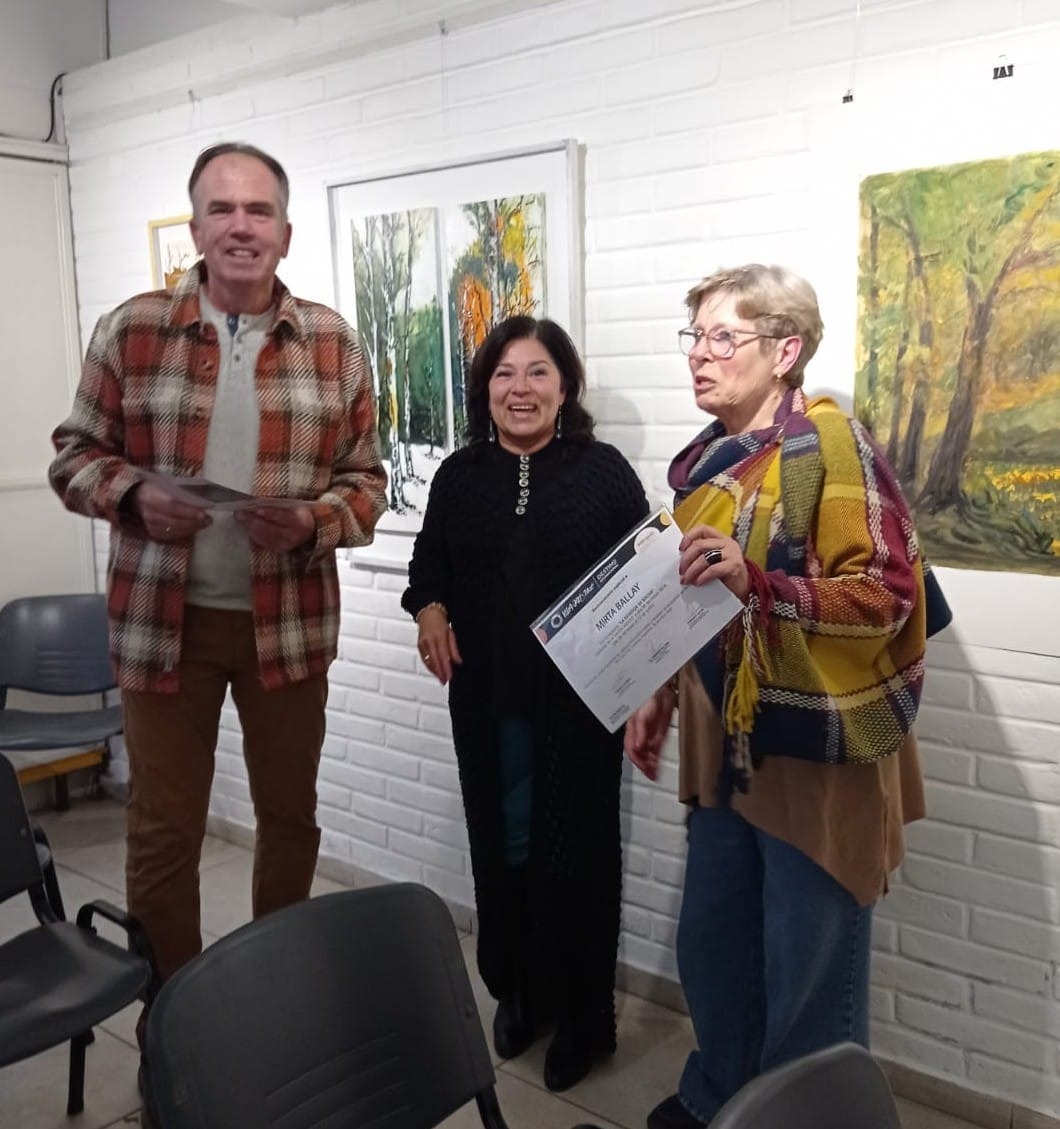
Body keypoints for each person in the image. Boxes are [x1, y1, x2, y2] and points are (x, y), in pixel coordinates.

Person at [49, 142, 387, 993]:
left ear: (285, 233)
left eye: (259, 210)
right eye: (222, 210)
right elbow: (73, 457)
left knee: (290, 820)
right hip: (163, 627)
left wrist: (310, 522)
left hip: (289, 625)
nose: (241, 226)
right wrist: (134, 496)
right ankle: (175, 1019)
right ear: (196, 229)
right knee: (164, 830)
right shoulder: (132, 329)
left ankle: (275, 999)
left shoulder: (332, 342)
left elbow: (367, 484)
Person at [625, 265, 943, 1129]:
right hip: (729, 746)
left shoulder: (831, 449)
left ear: (785, 349)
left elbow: (886, 593)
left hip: (816, 750)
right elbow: (696, 598)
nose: (699, 354)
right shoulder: (711, 464)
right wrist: (660, 686)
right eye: (694, 336)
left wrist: (760, 586)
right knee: (715, 946)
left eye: (723, 337)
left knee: (808, 971)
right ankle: (720, 1101)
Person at [402, 316, 649, 1092]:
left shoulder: (603, 472)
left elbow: (646, 579)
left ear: (564, 385)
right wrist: (430, 610)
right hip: (487, 703)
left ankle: (581, 1015)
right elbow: (428, 564)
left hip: (579, 707)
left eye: (538, 371)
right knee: (503, 846)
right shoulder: (458, 476)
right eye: (505, 373)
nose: (521, 388)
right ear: (484, 389)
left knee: (577, 856)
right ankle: (519, 990)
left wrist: (652, 682)